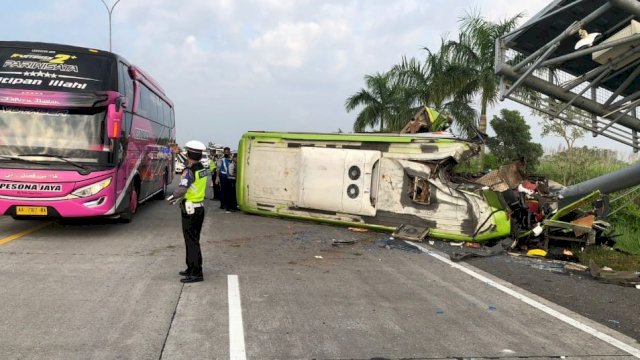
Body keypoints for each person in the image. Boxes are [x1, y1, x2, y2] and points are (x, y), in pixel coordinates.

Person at [166, 140, 208, 283]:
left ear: (189, 154)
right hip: (199, 208)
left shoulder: (189, 171)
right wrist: (178, 153)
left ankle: (196, 273)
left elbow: (183, 189)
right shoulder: (202, 167)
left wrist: (171, 197)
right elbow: (189, 164)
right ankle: (191, 268)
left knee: (191, 241)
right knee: (192, 240)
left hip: (191, 210)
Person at [215, 147, 233, 211]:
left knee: (228, 192)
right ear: (224, 152)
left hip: (229, 177)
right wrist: (217, 177)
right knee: (223, 191)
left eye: (228, 152)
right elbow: (218, 168)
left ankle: (226, 204)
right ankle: (222, 204)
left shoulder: (231, 159)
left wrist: (231, 158)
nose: (227, 153)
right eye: (226, 152)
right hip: (223, 176)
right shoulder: (221, 159)